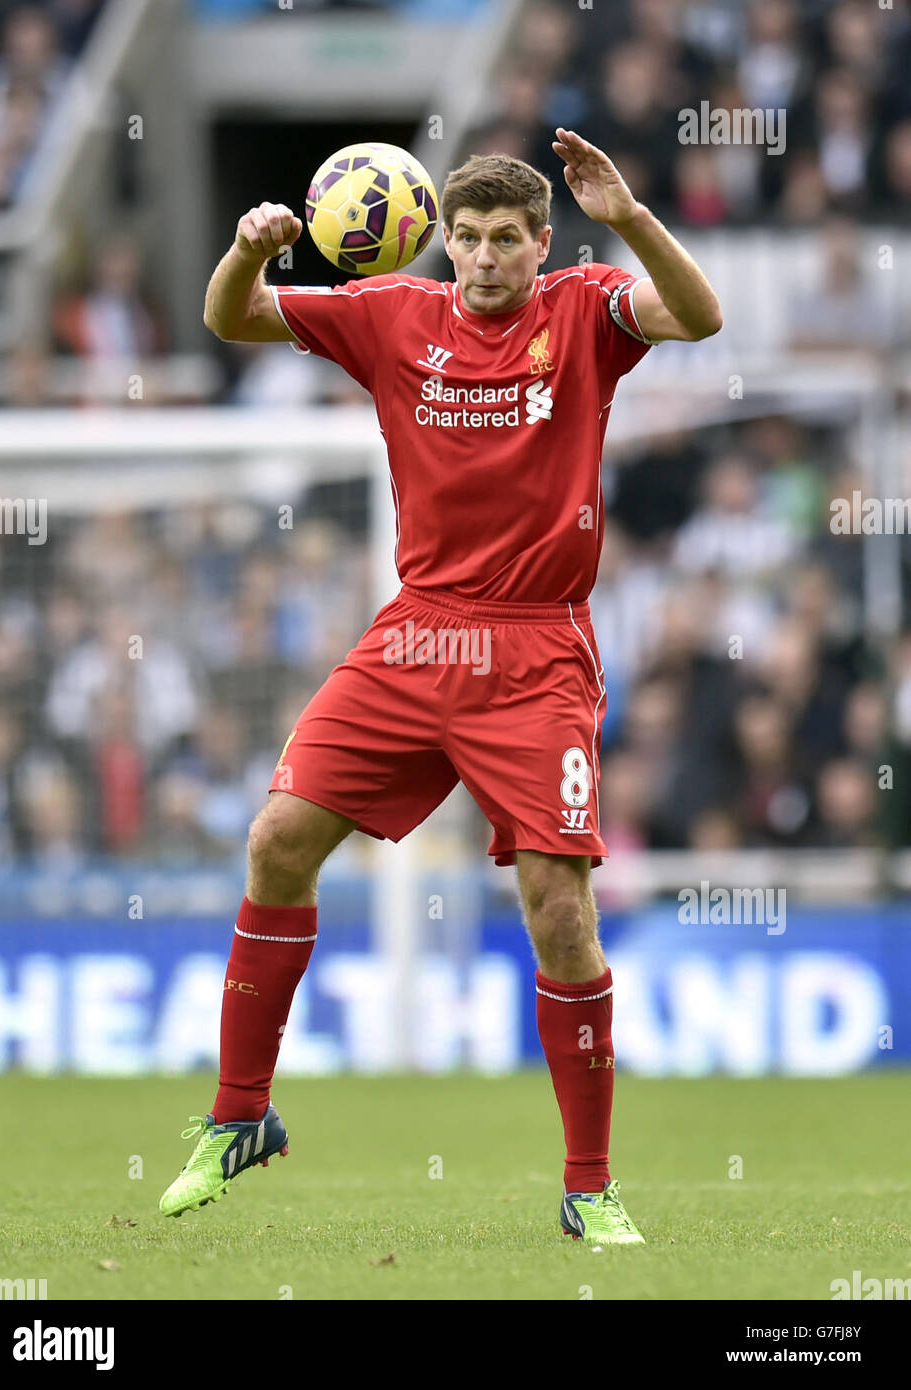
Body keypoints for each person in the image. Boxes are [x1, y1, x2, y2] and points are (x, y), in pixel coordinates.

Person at [158, 129, 721, 1245]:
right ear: (438, 239)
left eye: (504, 239)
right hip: (415, 639)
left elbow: (699, 319)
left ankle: (590, 1185)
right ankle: (239, 1117)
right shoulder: (390, 316)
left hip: (536, 651)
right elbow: (235, 318)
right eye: (463, 239)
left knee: (559, 913)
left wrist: (632, 217)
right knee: (276, 839)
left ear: (539, 242)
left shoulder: (587, 310)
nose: (481, 259)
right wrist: (247, 250)